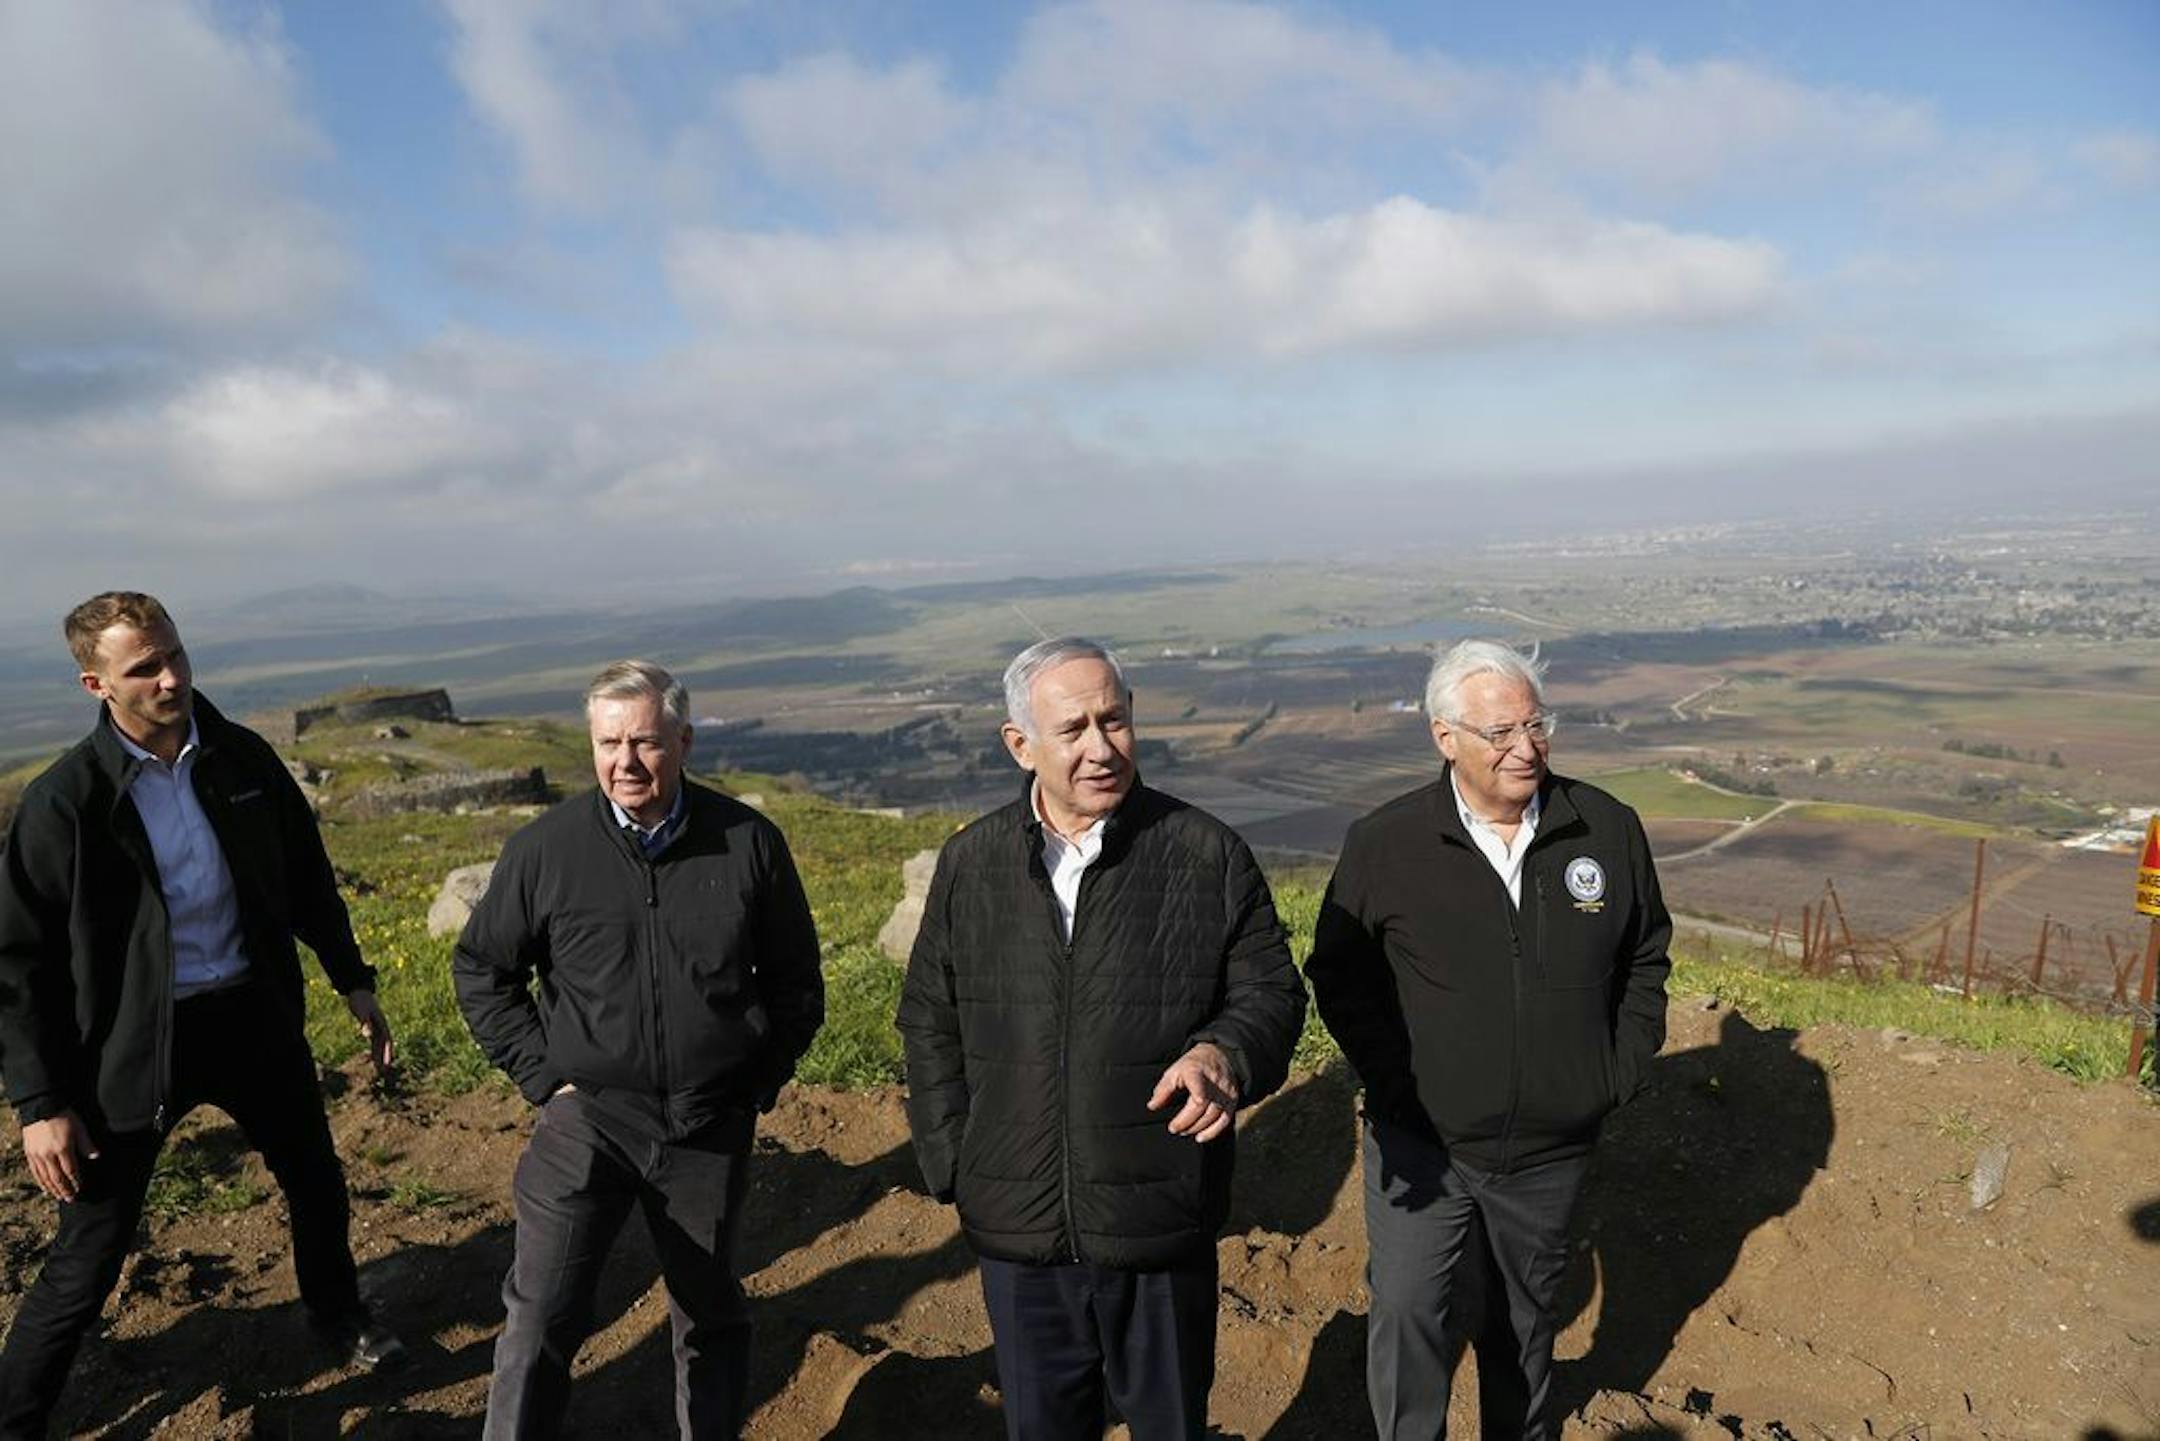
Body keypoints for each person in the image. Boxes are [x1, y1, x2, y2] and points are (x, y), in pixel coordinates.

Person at [0, 591, 402, 1435]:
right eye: (143, 667)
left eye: (175, 654)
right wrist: (40, 1104)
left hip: (252, 1016)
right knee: (91, 1248)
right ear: (95, 684)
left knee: (316, 1180)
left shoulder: (242, 758)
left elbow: (306, 875)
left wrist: (352, 978)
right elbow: (18, 962)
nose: (171, 677)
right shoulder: (65, 803)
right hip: (133, 1045)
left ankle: (339, 1316)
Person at [897, 637, 1305, 1441]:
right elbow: (929, 1018)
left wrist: (1225, 1052)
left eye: (1113, 720)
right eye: (1073, 728)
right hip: (1019, 1234)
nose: (1101, 746)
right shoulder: (972, 863)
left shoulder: (1205, 853)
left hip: (1158, 1218)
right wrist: (958, 1166)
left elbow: (1271, 992)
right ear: (1020, 744)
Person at [1306, 639, 1670, 1440]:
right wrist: (1396, 1083)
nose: (1526, 747)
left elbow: (1645, 955)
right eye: (1500, 732)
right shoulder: (1387, 843)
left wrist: (1611, 1075)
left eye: (1536, 725)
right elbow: (1340, 974)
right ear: (1445, 737)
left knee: (1524, 1325)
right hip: (1421, 1146)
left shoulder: (1605, 828)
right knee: (1409, 1316)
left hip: (1549, 1149)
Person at [454, 659, 822, 1440]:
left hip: (706, 1124)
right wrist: (543, 1076)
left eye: (646, 742)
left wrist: (751, 1081)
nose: (626, 761)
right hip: (586, 1118)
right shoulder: (547, 849)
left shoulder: (748, 842)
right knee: (540, 1315)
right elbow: (483, 967)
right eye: (608, 743)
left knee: (709, 1314)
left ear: (683, 742)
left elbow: (796, 980)